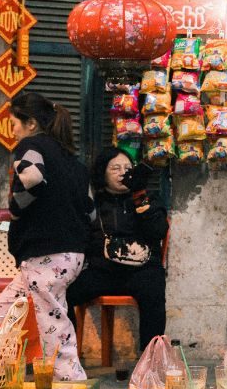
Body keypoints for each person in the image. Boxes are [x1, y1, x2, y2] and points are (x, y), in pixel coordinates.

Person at [0, 90, 93, 382]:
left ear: (31, 123)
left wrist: (16, 209)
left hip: (47, 254)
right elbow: (91, 210)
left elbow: (32, 178)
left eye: (15, 124)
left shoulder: (31, 145)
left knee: (53, 326)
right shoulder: (73, 161)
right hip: (67, 254)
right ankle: (0, 383)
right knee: (2, 312)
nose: (14, 130)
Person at [66, 147, 169, 355]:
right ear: (103, 172)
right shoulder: (94, 204)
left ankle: (151, 360)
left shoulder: (148, 199)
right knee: (61, 294)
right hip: (104, 272)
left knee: (153, 292)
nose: (123, 172)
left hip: (142, 271)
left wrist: (139, 196)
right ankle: (68, 356)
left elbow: (158, 231)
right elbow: (81, 238)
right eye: (115, 168)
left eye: (128, 168)